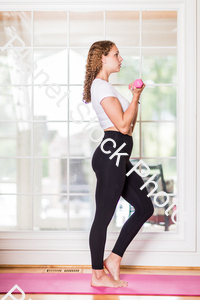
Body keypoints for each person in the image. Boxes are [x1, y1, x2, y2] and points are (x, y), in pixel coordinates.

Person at [82, 40, 154, 288]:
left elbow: (128, 127)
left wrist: (135, 97)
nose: (120, 58)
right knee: (103, 217)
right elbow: (123, 126)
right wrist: (134, 97)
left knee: (145, 208)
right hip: (110, 155)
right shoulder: (100, 87)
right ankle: (97, 274)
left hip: (119, 156)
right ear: (103, 58)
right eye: (116, 54)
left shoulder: (107, 88)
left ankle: (113, 259)